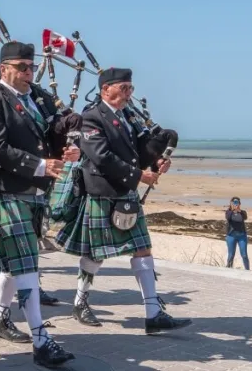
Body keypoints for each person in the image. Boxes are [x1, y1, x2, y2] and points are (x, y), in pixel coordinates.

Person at [59, 67, 191, 333]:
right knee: (94, 255)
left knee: (143, 250)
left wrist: (156, 161)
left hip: (125, 192)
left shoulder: (129, 116)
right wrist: (139, 176)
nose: (129, 94)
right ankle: (80, 302)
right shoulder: (91, 118)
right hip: (102, 191)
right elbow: (101, 156)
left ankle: (153, 313)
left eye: (130, 88)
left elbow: (140, 150)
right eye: (124, 88)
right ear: (105, 89)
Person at [0, 42, 77, 366]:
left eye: (31, 67)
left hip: (33, 192)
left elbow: (49, 135)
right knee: (28, 264)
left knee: (14, 265)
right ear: (3, 68)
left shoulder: (36, 98)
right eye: (21, 67)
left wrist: (65, 152)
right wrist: (41, 165)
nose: (28, 73)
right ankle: (40, 340)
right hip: (7, 191)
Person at [225, 197, 249, 270]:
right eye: (234, 203)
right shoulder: (228, 212)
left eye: (237, 203)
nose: (236, 204)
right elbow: (228, 217)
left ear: (240, 204)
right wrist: (232, 210)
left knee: (244, 255)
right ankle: (229, 269)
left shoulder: (242, 212)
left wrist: (239, 211)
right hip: (231, 236)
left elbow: (245, 217)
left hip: (242, 236)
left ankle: (247, 270)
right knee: (231, 255)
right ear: (231, 203)